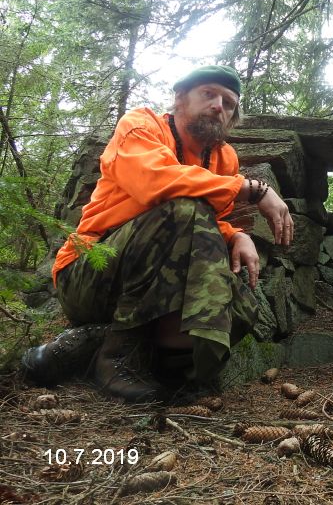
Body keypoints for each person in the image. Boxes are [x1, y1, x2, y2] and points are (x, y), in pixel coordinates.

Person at [21, 65, 293, 402]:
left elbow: (203, 220)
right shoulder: (140, 125)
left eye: (229, 102)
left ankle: (138, 355)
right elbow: (158, 185)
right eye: (208, 94)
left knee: (238, 302)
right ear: (180, 98)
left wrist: (235, 234)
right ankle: (115, 358)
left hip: (152, 291)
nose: (218, 106)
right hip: (89, 274)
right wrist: (253, 189)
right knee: (181, 209)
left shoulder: (225, 158)